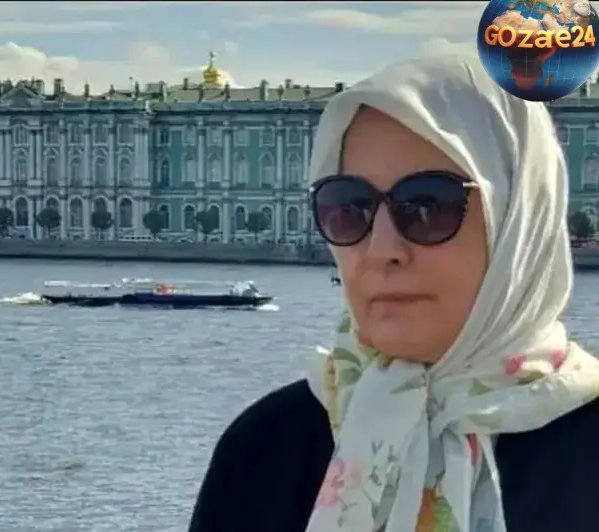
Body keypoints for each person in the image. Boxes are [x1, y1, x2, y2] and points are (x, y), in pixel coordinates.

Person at [188, 54, 599, 532]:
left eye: (428, 206)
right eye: (349, 208)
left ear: (519, 224)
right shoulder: (263, 450)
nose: (381, 250)